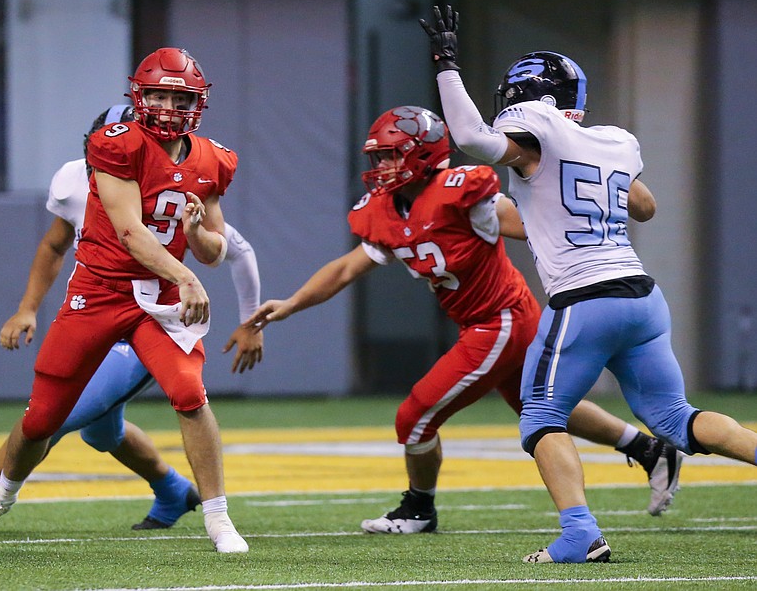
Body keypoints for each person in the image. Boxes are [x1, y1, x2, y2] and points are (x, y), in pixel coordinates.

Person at [246, 104, 682, 538]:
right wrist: (290, 304)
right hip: (494, 319)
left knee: (414, 417)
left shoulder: (464, 192)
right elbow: (346, 268)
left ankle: (418, 508)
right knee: (539, 407)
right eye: (379, 157)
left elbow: (539, 221)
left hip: (500, 320)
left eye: (392, 155)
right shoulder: (387, 209)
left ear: (423, 154)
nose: (383, 166)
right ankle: (648, 449)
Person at [422, 5, 757, 563]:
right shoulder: (614, 140)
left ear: (528, 97)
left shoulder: (536, 131)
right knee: (675, 417)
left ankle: (580, 532)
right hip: (642, 296)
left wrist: (446, 66)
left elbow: (474, 138)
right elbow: (644, 207)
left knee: (541, 417)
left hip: (583, 297)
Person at [0, 47, 250, 553]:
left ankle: (219, 518)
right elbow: (131, 234)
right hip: (101, 290)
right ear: (139, 95)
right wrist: (189, 275)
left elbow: (216, 251)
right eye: (156, 94)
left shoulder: (212, 159)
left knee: (189, 394)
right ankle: (1, 494)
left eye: (177, 97)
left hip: (158, 298)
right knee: (42, 418)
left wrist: (195, 232)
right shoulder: (116, 145)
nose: (165, 106)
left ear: (195, 103)